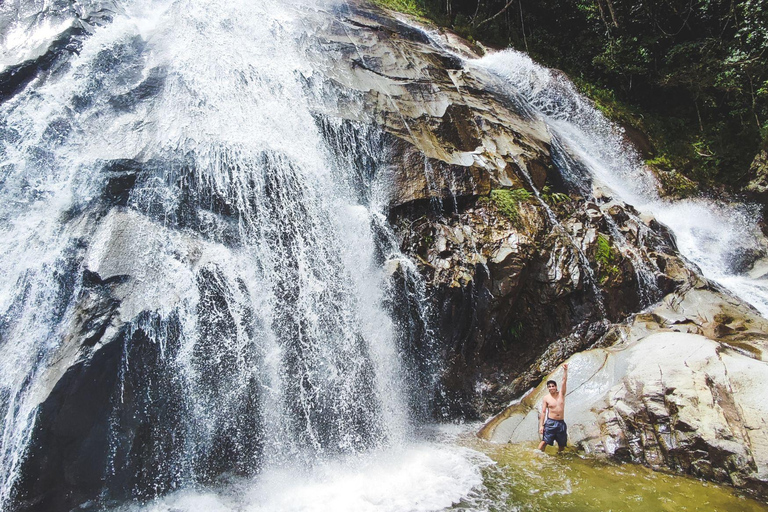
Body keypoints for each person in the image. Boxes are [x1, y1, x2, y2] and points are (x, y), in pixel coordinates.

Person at [538, 363, 568, 452]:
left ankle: (560, 459)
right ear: (548, 388)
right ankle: (537, 455)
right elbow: (543, 412)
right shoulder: (546, 398)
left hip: (561, 423)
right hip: (551, 422)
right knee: (544, 442)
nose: (551, 388)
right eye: (549, 387)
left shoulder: (561, 394)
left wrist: (565, 370)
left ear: (556, 387)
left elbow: (564, 380)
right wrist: (541, 426)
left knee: (562, 445)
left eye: (553, 386)